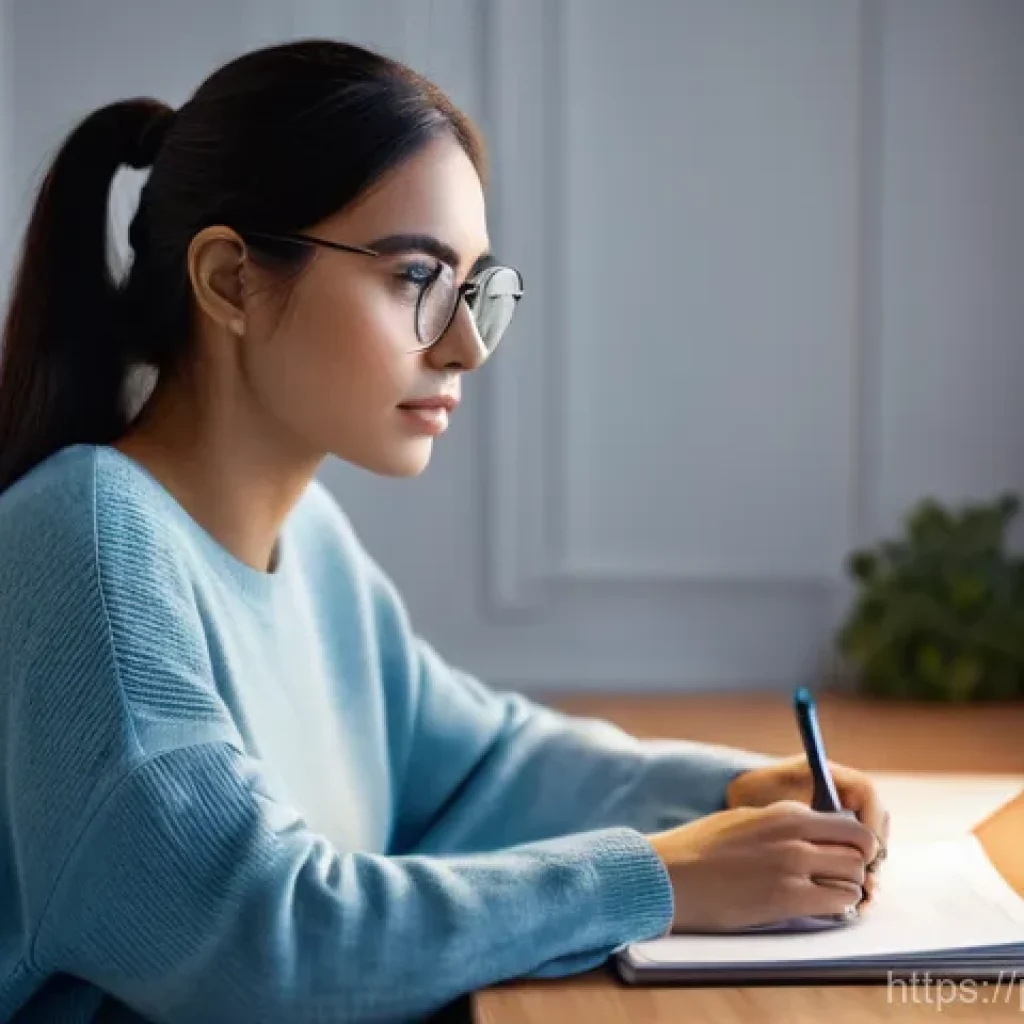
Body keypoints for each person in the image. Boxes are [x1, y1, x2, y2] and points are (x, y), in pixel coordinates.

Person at [0, 38, 888, 1024]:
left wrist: (721, 789)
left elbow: (474, 762)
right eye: (416, 278)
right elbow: (262, 934)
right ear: (230, 282)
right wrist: (655, 877)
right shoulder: (87, 541)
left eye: (474, 289)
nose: (464, 343)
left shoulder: (311, 543)